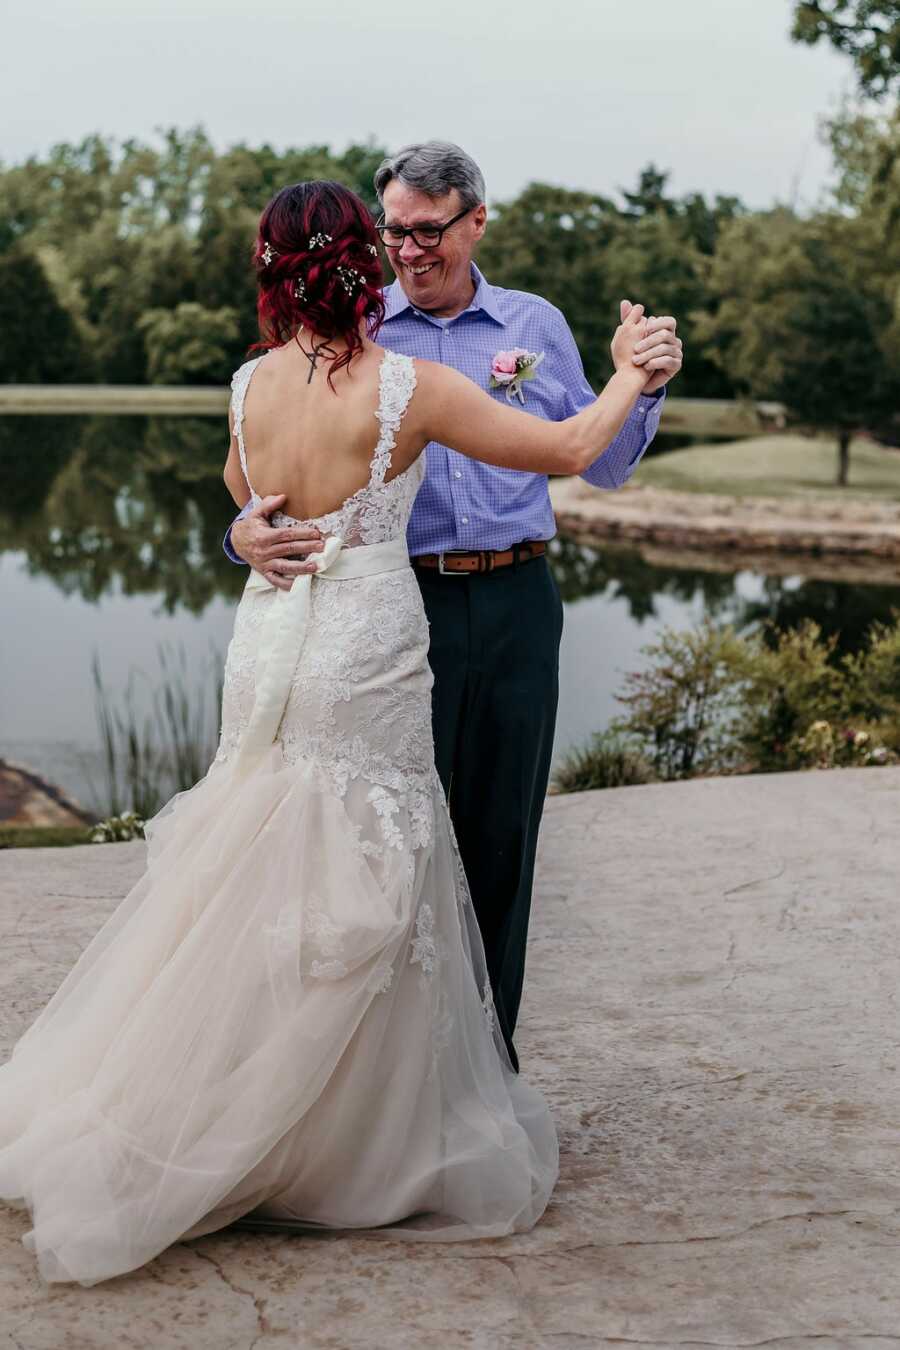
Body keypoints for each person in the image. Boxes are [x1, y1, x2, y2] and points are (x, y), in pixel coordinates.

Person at [0, 179, 659, 1286]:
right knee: (368, 866)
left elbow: (243, 498)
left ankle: (212, 1094)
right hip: (362, 645)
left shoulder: (247, 384)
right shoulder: (412, 387)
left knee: (258, 856)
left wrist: (250, 534)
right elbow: (565, 449)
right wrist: (634, 373)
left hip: (272, 640)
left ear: (272, 269)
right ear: (361, 259)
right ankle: (335, 1134)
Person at [228, 141, 683, 1071]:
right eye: (392, 229)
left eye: (428, 230)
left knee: (500, 840)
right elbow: (262, 480)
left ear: (476, 222)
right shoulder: (354, 335)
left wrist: (645, 386)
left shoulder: (534, 323)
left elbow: (598, 460)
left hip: (517, 600)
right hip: (396, 615)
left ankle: (488, 1068)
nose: (407, 249)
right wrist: (239, 535)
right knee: (393, 850)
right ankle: (389, 1080)